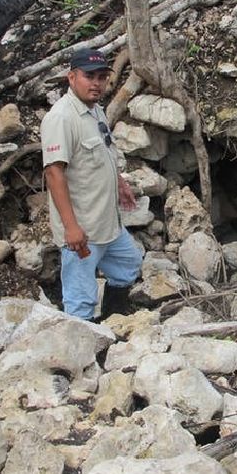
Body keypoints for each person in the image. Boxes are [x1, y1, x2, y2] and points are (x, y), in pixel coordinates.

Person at [40, 48, 142, 320]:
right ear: (71, 77)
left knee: (128, 265)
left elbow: (103, 150)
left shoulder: (95, 110)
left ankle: (114, 323)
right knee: (81, 298)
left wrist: (119, 182)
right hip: (82, 229)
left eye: (101, 77)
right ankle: (87, 353)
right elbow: (53, 173)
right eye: (89, 76)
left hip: (107, 222)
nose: (96, 83)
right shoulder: (61, 118)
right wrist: (71, 228)